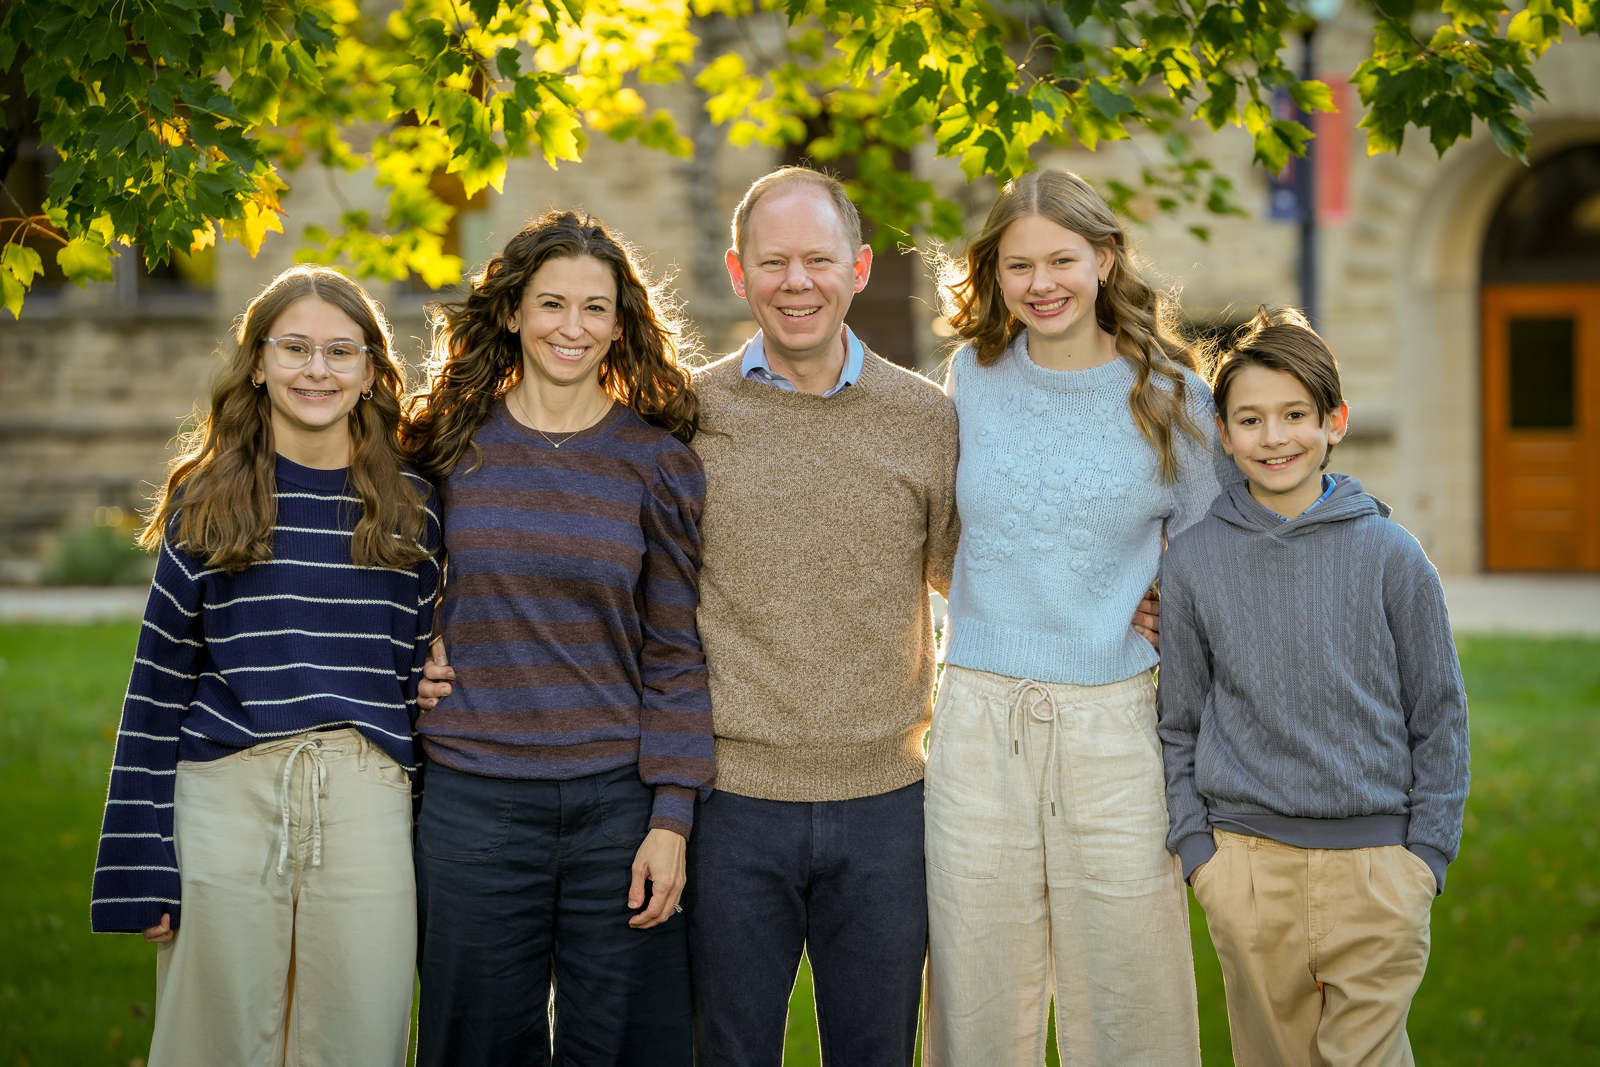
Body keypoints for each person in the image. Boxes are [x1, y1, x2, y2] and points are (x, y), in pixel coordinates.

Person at [90, 265, 442, 1067]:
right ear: (257, 361)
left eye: (339, 352)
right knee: (214, 1038)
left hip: (367, 796)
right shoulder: (208, 497)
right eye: (295, 348)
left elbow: (425, 666)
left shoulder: (413, 506)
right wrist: (138, 863)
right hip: (225, 794)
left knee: (358, 1032)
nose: (316, 369)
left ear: (369, 372)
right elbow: (156, 687)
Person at [926, 168, 1233, 1066]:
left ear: (1104, 258)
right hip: (977, 717)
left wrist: (1169, 606)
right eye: (1018, 265)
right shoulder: (971, 376)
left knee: (1132, 998)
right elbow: (952, 530)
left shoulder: (1171, 392)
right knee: (976, 999)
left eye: (1062, 259)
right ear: (994, 273)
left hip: (1115, 724)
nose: (1041, 284)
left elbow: (1222, 551)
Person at [401, 209, 714, 1067]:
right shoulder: (442, 449)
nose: (571, 328)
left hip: (617, 807)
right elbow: (388, 590)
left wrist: (672, 817)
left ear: (620, 323)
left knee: (625, 1050)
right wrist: (411, 656)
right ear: (511, 312)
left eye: (595, 308)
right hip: (471, 802)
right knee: (475, 1047)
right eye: (551, 304)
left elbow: (675, 651)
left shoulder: (655, 462)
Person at [1157, 307, 1469, 1067]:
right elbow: (1179, 721)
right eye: (1252, 420)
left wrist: (1424, 854)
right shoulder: (1194, 561)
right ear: (1223, 436)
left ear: (1335, 421)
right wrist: (1202, 853)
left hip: (1378, 867)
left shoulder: (1394, 555)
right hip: (1247, 868)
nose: (1275, 437)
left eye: (1295, 414)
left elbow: (1440, 717)